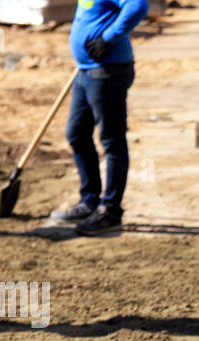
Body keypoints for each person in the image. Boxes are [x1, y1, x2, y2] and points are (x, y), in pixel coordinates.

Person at [48, 0, 149, 238]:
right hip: (86, 70)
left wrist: (107, 38)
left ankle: (110, 212)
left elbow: (138, 6)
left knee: (112, 141)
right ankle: (89, 200)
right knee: (77, 134)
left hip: (108, 71)